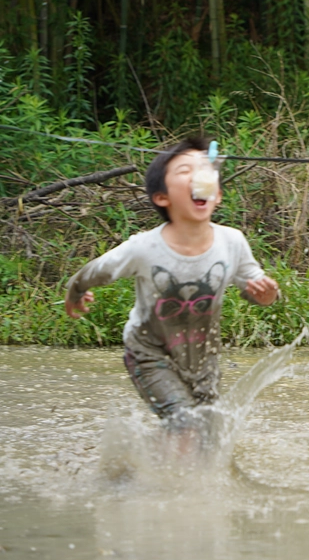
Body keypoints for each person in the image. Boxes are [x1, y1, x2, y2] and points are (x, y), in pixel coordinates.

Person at [65, 137, 280, 430]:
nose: (197, 175)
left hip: (203, 361)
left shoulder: (232, 241)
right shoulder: (143, 248)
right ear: (162, 197)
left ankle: (149, 455)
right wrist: (76, 291)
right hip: (148, 354)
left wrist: (267, 295)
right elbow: (96, 270)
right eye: (184, 171)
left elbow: (256, 286)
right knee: (185, 423)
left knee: (208, 434)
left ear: (217, 194)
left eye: (203, 169)